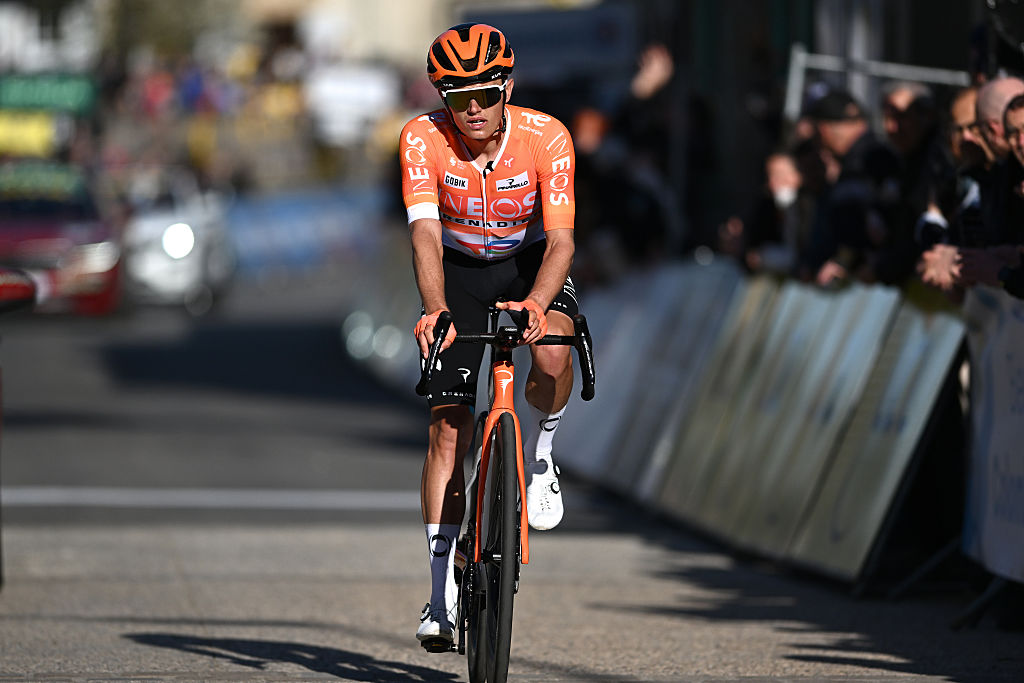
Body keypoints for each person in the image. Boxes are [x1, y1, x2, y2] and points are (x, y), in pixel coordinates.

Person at [399, 23, 580, 648]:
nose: (470, 109)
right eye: (454, 96)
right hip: (457, 270)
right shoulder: (422, 138)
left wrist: (535, 302)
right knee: (450, 423)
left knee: (554, 353)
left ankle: (542, 454)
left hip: (530, 261)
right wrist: (435, 307)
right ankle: (438, 590)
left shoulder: (547, 136)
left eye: (482, 93)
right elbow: (424, 232)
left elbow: (561, 238)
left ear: (506, 87)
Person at [803, 89, 903, 286]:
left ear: (824, 129)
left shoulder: (870, 162)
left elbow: (877, 225)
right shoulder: (858, 161)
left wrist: (846, 261)